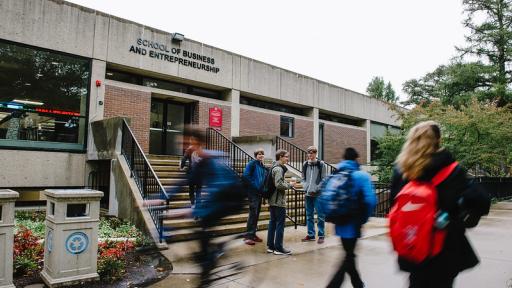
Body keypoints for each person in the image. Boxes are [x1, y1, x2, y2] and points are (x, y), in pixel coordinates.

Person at [390, 121, 490, 288]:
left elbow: (396, 204)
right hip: (445, 246)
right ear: (438, 140)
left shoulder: (401, 170)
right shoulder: (451, 169)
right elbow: (481, 200)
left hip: (413, 243)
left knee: (416, 282)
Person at [327, 147, 376, 288]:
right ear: (356, 159)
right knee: (349, 257)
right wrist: (363, 218)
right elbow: (370, 200)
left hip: (339, 222)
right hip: (353, 224)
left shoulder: (336, 174)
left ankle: (358, 284)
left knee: (349, 255)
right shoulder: (361, 176)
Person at [267, 149, 296, 255]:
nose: (288, 159)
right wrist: (290, 185)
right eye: (286, 157)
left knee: (272, 223)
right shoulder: (279, 169)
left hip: (272, 200)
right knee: (280, 224)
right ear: (280, 157)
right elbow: (278, 184)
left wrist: (286, 182)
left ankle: (271, 246)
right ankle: (278, 248)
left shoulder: (273, 167)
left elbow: (277, 182)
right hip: (278, 201)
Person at [301, 146, 327, 244]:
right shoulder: (305, 164)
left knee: (320, 215)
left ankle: (321, 235)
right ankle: (311, 235)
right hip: (307, 194)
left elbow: (324, 179)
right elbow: (303, 178)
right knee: (309, 215)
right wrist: (305, 186)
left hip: (318, 194)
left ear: (316, 154)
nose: (310, 154)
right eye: (309, 153)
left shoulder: (321, 164)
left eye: (312, 153)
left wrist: (316, 188)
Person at [242, 148, 267, 245]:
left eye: (262, 154)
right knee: (253, 214)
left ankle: (253, 234)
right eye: (258, 154)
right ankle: (248, 236)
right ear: (255, 155)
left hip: (259, 193)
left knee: (256, 214)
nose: (260, 155)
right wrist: (256, 186)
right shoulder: (252, 164)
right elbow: (246, 176)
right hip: (253, 193)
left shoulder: (262, 166)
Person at [180, 141, 202, 207]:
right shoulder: (200, 150)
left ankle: (193, 205)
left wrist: (182, 166)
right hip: (200, 174)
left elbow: (184, 159)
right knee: (198, 192)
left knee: (191, 190)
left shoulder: (190, 149)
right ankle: (198, 206)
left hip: (192, 173)